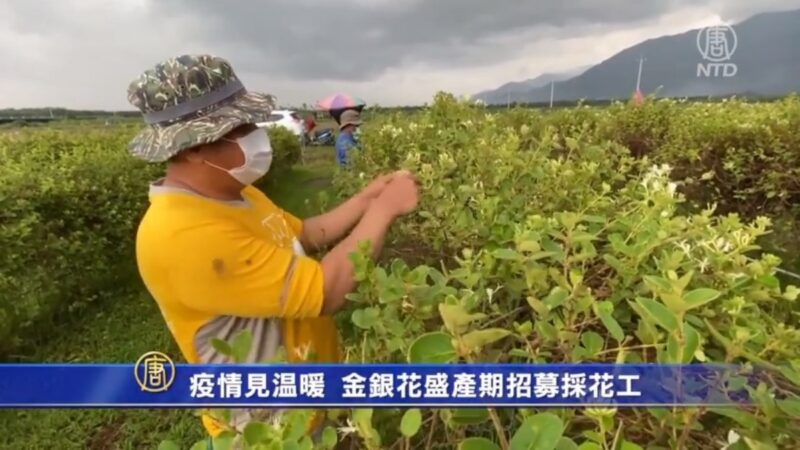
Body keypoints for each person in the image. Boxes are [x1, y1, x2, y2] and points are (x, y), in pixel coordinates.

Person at [126, 54, 419, 445]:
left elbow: (308, 234)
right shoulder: (182, 234)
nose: (255, 133)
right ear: (192, 147)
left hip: (309, 398)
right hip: (270, 429)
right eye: (241, 125)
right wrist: (385, 210)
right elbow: (325, 291)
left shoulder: (235, 194)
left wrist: (368, 198)